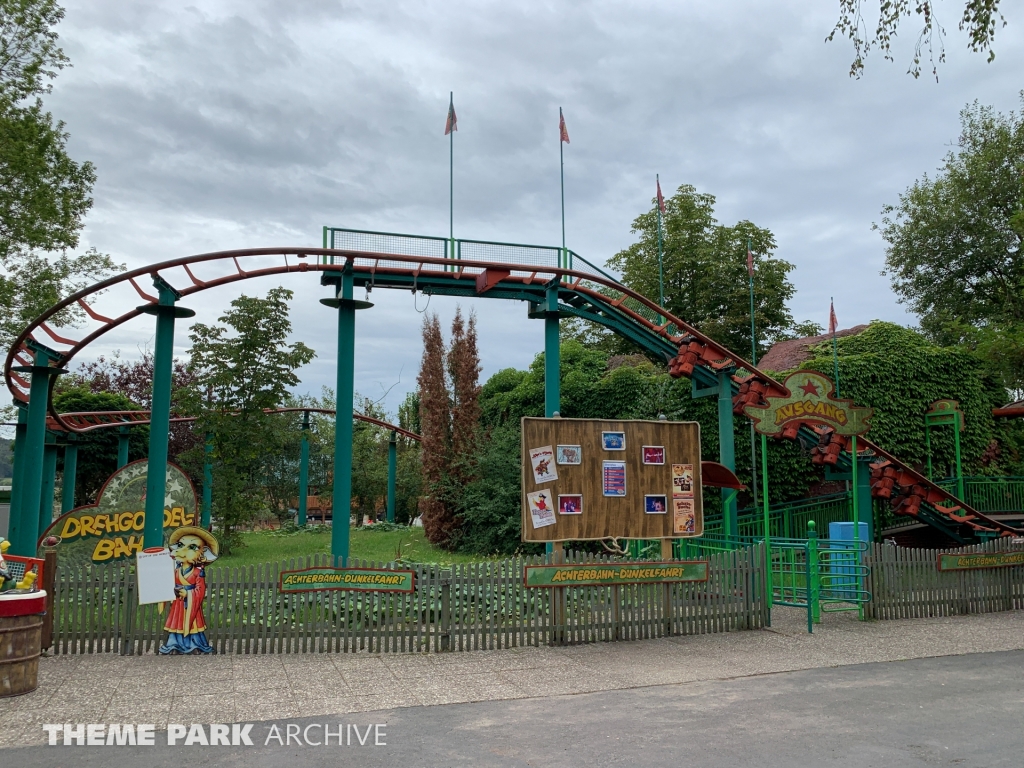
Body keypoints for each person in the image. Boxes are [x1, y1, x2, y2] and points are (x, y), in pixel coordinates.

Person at [160, 526, 219, 655]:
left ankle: (195, 644)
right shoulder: (176, 571)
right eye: (181, 545)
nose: (183, 550)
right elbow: (167, 583)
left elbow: (200, 590)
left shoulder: (198, 573)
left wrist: (188, 593)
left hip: (190, 603)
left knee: (194, 625)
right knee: (177, 623)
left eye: (192, 547)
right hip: (178, 604)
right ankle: (174, 644)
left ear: (202, 553)